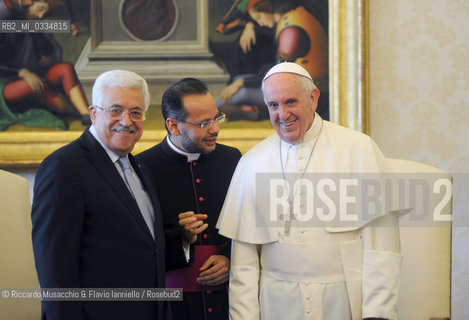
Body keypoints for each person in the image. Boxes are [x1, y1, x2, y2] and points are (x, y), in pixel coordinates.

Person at [216, 62, 402, 320]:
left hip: (345, 302)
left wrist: (378, 314)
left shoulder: (358, 149)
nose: (282, 114)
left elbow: (382, 249)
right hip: (276, 304)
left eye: (291, 102)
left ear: (313, 98)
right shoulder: (252, 162)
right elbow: (243, 266)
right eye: (273, 105)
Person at [31, 70, 188, 320]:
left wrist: (182, 239)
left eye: (136, 112)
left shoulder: (140, 169)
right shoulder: (64, 167)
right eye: (115, 110)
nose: (126, 120)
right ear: (93, 113)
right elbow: (56, 273)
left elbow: (139, 248)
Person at [137, 78, 242, 320]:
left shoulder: (231, 159)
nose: (215, 129)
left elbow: (247, 223)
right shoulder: (143, 167)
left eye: (217, 118)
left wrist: (230, 260)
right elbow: (135, 244)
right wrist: (181, 238)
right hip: (173, 306)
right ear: (173, 126)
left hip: (227, 300)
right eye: (204, 123)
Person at [0, 0, 91, 131]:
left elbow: (46, 61)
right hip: (5, 82)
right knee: (36, 86)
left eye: (45, 13)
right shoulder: (5, 20)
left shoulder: (32, 24)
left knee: (65, 68)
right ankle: (77, 114)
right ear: (28, 2)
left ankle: (86, 114)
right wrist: (22, 72)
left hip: (33, 75)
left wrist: (36, 32)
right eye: (40, 9)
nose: (41, 15)